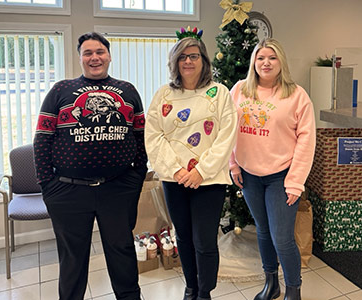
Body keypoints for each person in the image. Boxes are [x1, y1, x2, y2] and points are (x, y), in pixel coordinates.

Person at [33, 32, 147, 300]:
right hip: (68, 191)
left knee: (123, 253)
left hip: (118, 188)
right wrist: (47, 185)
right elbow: (42, 139)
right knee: (73, 259)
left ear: (109, 56)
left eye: (100, 52)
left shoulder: (128, 90)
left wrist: (137, 176)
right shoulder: (61, 90)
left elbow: (141, 136)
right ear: (80, 58)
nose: (94, 57)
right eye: (88, 53)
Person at [144, 27, 238, 300]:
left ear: (204, 60)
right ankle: (191, 287)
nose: (188, 61)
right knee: (183, 238)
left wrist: (200, 171)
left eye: (194, 56)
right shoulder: (164, 95)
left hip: (209, 181)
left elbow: (226, 136)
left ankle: (205, 290)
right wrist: (176, 170)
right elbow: (154, 136)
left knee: (205, 241)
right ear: (175, 61)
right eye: (182, 56)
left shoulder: (218, 93)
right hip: (175, 180)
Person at [229, 38, 316, 300]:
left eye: (272, 58)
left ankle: (293, 290)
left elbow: (307, 139)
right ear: (253, 62)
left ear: (281, 62)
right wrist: (233, 164)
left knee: (282, 237)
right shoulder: (240, 90)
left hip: (281, 177)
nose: (265, 62)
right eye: (260, 57)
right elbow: (228, 130)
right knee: (264, 232)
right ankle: (271, 284)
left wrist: (295, 181)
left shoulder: (296, 95)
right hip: (250, 175)